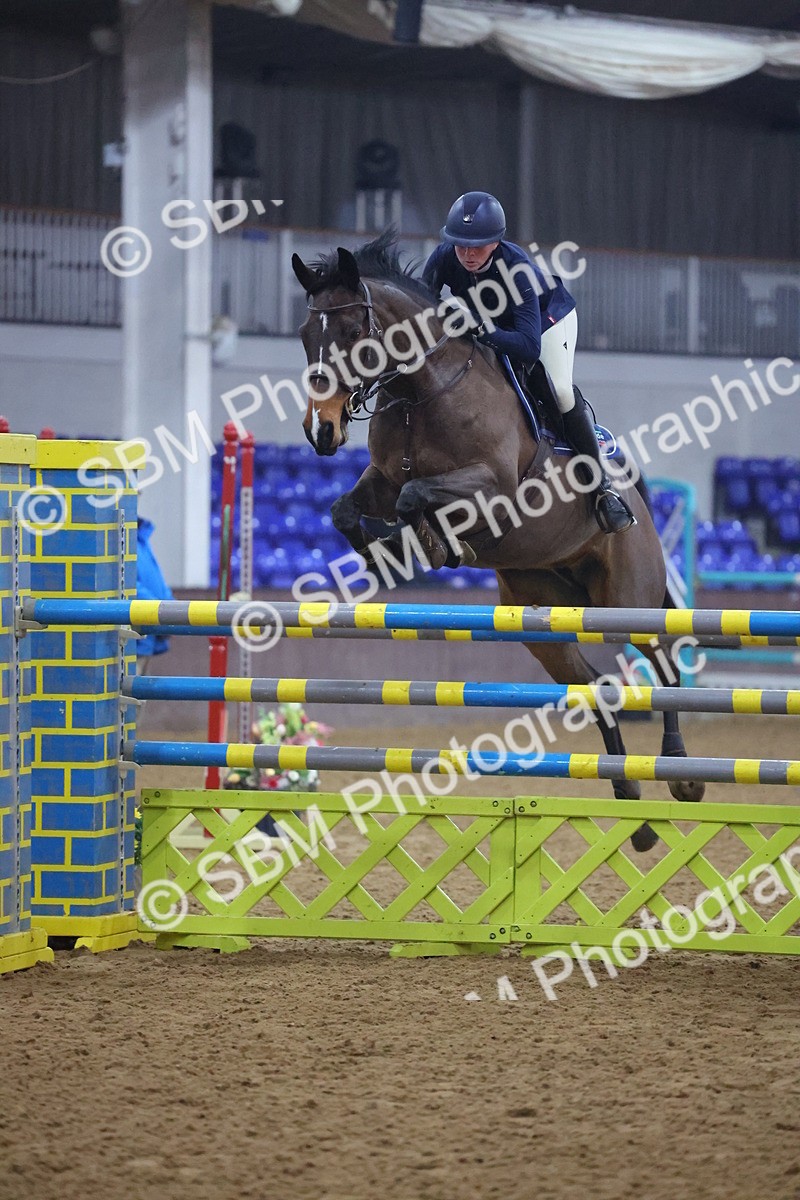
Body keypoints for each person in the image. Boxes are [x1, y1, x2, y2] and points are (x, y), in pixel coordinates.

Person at [422, 191, 635, 534]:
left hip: (546, 323)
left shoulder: (517, 270)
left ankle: (602, 489)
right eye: (460, 243)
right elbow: (423, 307)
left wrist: (479, 326)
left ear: (496, 242)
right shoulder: (446, 256)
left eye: (477, 245)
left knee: (560, 391)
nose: (467, 253)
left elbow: (527, 347)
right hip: (495, 324)